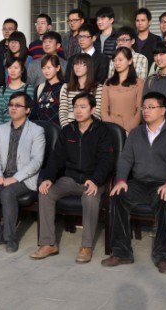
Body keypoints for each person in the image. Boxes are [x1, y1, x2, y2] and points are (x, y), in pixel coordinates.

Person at [101, 91, 166, 274]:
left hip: (163, 184)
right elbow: (125, 159)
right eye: (144, 107)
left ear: (163, 110)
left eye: (151, 107)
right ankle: (122, 252)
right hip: (139, 183)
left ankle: (161, 256)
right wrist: (121, 180)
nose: (146, 111)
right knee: (118, 195)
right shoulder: (136, 133)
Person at [30, 92, 114, 264]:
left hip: (93, 180)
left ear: (93, 110)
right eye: (75, 107)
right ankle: (48, 243)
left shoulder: (103, 131)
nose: (78, 111)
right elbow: (56, 158)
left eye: (83, 107)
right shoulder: (68, 130)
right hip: (70, 179)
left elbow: (107, 160)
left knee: (89, 198)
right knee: (45, 193)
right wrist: (48, 178)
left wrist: (96, 180)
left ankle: (86, 246)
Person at [0, 92, 45, 253]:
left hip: (25, 178)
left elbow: (36, 161)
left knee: (7, 193)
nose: (13, 108)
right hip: (4, 176)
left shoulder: (37, 131)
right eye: (11, 105)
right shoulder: (1, 129)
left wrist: (15, 178)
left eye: (18, 105)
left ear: (28, 110)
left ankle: (10, 238)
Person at [101, 47, 143, 135]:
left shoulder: (139, 83)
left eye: (120, 60)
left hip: (131, 130)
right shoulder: (108, 83)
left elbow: (140, 110)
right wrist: (112, 129)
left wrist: (128, 130)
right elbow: (104, 110)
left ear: (130, 61)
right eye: (114, 60)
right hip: (110, 129)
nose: (117, 63)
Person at [59, 53, 102, 127]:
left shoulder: (98, 88)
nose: (77, 67)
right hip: (69, 127)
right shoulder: (66, 87)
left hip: (89, 128)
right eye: (75, 64)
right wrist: (67, 129)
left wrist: (85, 128)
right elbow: (62, 112)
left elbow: (97, 113)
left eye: (81, 64)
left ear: (89, 67)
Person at [0, 57, 34, 124]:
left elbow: (30, 111)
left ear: (22, 70)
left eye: (16, 68)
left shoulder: (28, 88)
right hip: (3, 127)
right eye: (10, 68)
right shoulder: (2, 89)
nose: (12, 71)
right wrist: (2, 127)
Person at [31, 55, 65, 126]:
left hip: (58, 129)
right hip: (40, 129)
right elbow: (34, 112)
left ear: (58, 68)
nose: (46, 71)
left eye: (49, 68)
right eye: (43, 68)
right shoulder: (39, 88)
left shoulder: (64, 87)